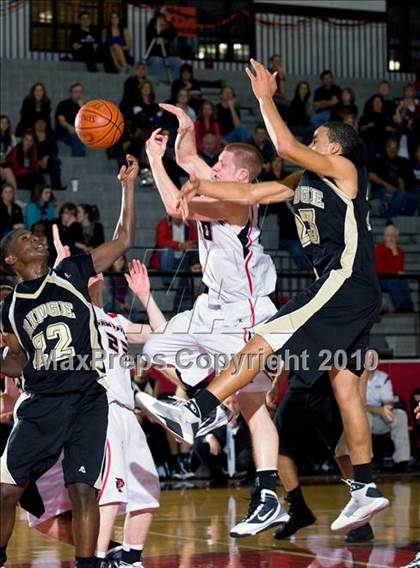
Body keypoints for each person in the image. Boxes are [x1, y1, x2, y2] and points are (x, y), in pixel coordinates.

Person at [138, 59, 390, 533]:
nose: (309, 147)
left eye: (318, 140)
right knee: (344, 389)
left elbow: (286, 145)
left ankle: (199, 410)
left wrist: (265, 98)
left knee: (263, 340)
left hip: (342, 282)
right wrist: (202, 183)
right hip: (353, 294)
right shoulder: (302, 184)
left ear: (333, 147)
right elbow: (253, 195)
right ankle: (365, 487)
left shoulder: (345, 168)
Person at [142, 109, 290, 538]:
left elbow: (176, 204)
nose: (214, 165)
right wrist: (184, 126)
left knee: (253, 407)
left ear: (241, 175)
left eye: (222, 163)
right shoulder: (227, 184)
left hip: (244, 313)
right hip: (215, 308)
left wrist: (155, 159)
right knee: (156, 349)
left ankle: (262, 491)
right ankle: (209, 416)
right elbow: (189, 159)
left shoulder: (234, 201)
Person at [0, 155, 138, 568]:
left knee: (83, 489)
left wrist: (128, 186)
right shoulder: (11, 308)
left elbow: (124, 238)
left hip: (86, 398)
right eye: (25, 239)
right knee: (6, 491)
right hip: (42, 403)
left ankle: (88, 564)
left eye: (35, 235)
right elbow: (17, 360)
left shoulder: (73, 271)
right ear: (10, 259)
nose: (36, 239)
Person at [268, 368, 374, 544]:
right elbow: (292, 346)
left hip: (332, 382)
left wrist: (360, 400)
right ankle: (298, 508)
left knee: (342, 452)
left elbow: (362, 353)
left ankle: (361, 515)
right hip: (300, 382)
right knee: (275, 441)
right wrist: (277, 383)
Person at [366, 365, 411, 471]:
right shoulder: (355, 378)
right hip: (363, 418)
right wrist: (380, 410)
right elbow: (358, 405)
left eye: (374, 358)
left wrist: (387, 411)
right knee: (364, 416)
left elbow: (388, 401)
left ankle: (402, 460)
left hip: (380, 417)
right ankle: (367, 461)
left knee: (400, 415)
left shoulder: (383, 377)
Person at [368, 137, 417, 220]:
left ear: (398, 149)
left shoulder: (403, 162)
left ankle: (401, 217)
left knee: (414, 197)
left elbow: (403, 181)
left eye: (395, 148)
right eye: (390, 147)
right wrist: (387, 186)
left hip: (398, 193)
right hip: (382, 191)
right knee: (401, 195)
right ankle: (389, 219)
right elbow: (371, 175)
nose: (392, 150)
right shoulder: (379, 160)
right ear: (386, 148)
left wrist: (401, 189)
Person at [375, 225, 414, 313]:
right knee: (393, 280)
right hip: (381, 279)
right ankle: (400, 306)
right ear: (384, 237)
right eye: (388, 235)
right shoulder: (379, 249)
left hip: (394, 278)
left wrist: (394, 252)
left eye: (393, 236)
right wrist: (396, 272)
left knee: (402, 279)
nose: (391, 238)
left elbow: (399, 269)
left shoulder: (400, 251)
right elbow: (381, 270)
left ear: (397, 238)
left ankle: (408, 305)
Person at [145, 8, 182, 83]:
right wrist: (157, 15)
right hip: (154, 58)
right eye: (159, 20)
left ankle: (177, 84)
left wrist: (169, 21)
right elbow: (149, 28)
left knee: (177, 61)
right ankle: (155, 82)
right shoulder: (151, 31)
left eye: (163, 21)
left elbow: (174, 33)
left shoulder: (166, 33)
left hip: (166, 58)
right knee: (157, 60)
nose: (161, 23)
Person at [359, 95, 397, 163]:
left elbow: (393, 129)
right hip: (370, 144)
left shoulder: (387, 116)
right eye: (375, 101)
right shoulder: (366, 116)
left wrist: (373, 126)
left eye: (379, 101)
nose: (377, 103)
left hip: (384, 144)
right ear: (372, 103)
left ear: (382, 103)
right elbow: (361, 129)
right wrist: (383, 127)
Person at [55, 83, 86, 157]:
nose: (78, 94)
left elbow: (88, 122)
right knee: (77, 137)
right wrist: (70, 127)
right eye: (75, 92)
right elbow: (61, 120)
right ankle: (79, 161)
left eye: (80, 92)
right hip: (64, 133)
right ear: (71, 93)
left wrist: (82, 107)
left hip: (80, 133)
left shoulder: (85, 106)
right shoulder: (63, 104)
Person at [33, 118, 65, 191]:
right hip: (34, 159)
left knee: (55, 161)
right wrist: (38, 161)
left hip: (48, 160)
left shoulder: (50, 134)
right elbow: (28, 150)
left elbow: (55, 149)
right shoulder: (30, 134)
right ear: (35, 124)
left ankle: (56, 186)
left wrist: (46, 158)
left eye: (42, 123)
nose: (40, 125)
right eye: (38, 123)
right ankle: (39, 188)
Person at [0, 115, 18, 190]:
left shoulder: (12, 138)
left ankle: (14, 198)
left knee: (9, 172)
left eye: (6, 123)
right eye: (2, 122)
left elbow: (15, 153)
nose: (4, 125)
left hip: (6, 163)